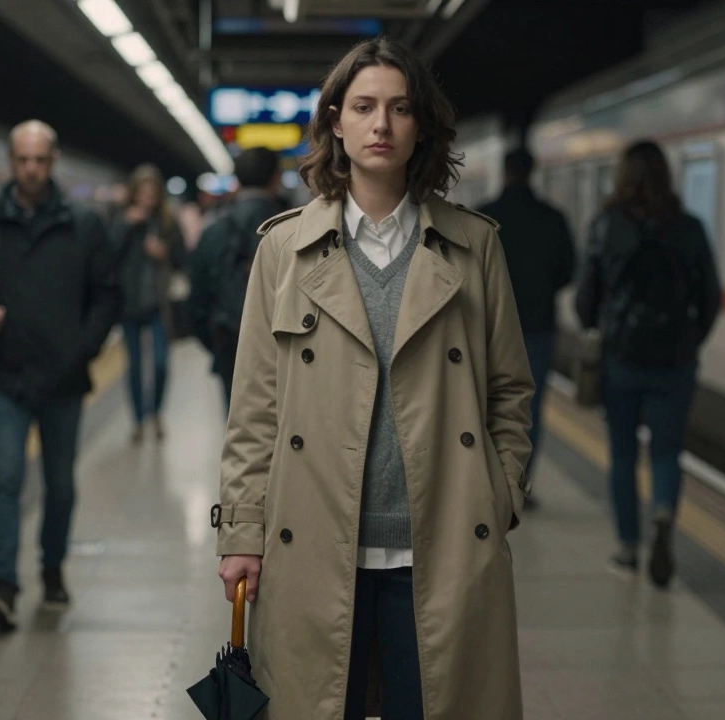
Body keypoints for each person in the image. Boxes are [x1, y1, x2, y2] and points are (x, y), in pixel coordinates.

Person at [213, 36, 534, 719]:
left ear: (422, 127)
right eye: (362, 107)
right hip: (314, 548)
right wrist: (241, 532)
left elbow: (510, 390)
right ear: (335, 121)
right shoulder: (284, 250)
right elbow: (255, 410)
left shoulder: (475, 247)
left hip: (442, 548)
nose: (380, 125)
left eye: (399, 108)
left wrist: (497, 491)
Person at [0, 120, 117, 630]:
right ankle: (2, 585)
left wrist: (81, 348)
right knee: (5, 479)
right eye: (22, 160)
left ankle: (52, 567)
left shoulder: (82, 224)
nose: (31, 170)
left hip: (62, 379)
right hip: (3, 375)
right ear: (10, 161)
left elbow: (107, 294)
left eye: (40, 160)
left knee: (60, 485)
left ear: (53, 159)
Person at [573, 139, 721, 587]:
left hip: (621, 357)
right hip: (675, 359)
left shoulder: (606, 225)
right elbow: (710, 296)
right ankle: (661, 515)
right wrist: (692, 338)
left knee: (621, 454)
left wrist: (596, 327)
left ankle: (627, 548)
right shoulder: (690, 227)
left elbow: (585, 299)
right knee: (666, 452)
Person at [478, 148, 575, 502]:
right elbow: (567, 270)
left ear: (503, 171)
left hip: (486, 326)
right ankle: (518, 484)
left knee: (483, 401)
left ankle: (486, 480)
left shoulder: (484, 217)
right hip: (537, 325)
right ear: (532, 172)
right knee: (528, 406)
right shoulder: (552, 218)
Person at [187, 147, 288, 409]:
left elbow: (198, 299)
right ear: (275, 178)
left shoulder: (213, 230)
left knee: (242, 430)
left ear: (236, 180)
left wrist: (216, 343)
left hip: (230, 340)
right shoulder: (298, 227)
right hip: (288, 347)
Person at [112, 163, 187, 442]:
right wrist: (125, 226)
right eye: (141, 192)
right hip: (128, 305)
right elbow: (107, 255)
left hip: (159, 305)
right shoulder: (121, 219)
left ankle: (154, 410)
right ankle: (138, 420)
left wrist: (164, 253)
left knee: (159, 363)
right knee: (133, 365)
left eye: (151, 192)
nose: (147, 197)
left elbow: (182, 258)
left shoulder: (168, 222)